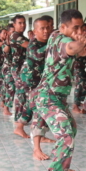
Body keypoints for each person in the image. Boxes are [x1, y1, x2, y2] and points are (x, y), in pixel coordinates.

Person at [32, 9, 86, 171]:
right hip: (47, 95)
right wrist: (80, 43)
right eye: (75, 27)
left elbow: (75, 48)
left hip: (57, 97)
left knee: (71, 130)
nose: (79, 30)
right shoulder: (61, 40)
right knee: (66, 134)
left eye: (81, 27)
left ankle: (61, 162)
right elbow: (72, 48)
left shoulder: (57, 34)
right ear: (63, 27)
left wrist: (80, 44)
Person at [20, 16, 57, 160]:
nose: (46, 31)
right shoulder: (34, 44)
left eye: (48, 27)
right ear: (35, 31)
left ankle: (39, 139)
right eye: (42, 28)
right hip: (32, 83)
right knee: (38, 113)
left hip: (43, 83)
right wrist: (54, 43)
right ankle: (36, 149)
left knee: (40, 113)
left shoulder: (48, 42)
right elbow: (38, 54)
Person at [5, 16, 29, 126]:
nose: (23, 25)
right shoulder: (15, 35)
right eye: (20, 23)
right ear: (14, 24)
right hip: (17, 68)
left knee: (22, 92)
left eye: (24, 23)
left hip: (22, 68)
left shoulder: (21, 36)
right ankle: (18, 118)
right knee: (21, 93)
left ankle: (21, 117)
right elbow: (29, 46)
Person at [71, 23, 86, 113]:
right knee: (80, 83)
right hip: (76, 66)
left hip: (82, 66)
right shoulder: (76, 41)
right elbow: (74, 54)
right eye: (83, 30)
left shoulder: (84, 40)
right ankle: (75, 105)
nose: (85, 32)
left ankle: (80, 102)